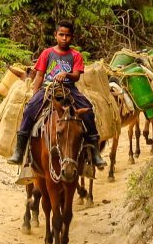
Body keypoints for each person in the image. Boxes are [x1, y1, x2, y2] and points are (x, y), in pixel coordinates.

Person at [8, 20, 107, 168]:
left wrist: (65, 74)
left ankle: (94, 152)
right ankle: (19, 150)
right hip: (48, 88)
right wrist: (35, 95)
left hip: (69, 89)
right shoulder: (47, 53)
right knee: (29, 110)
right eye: (61, 35)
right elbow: (40, 75)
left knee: (87, 110)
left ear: (72, 37)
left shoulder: (75, 55)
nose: (64, 38)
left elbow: (76, 76)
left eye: (67, 35)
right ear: (55, 35)